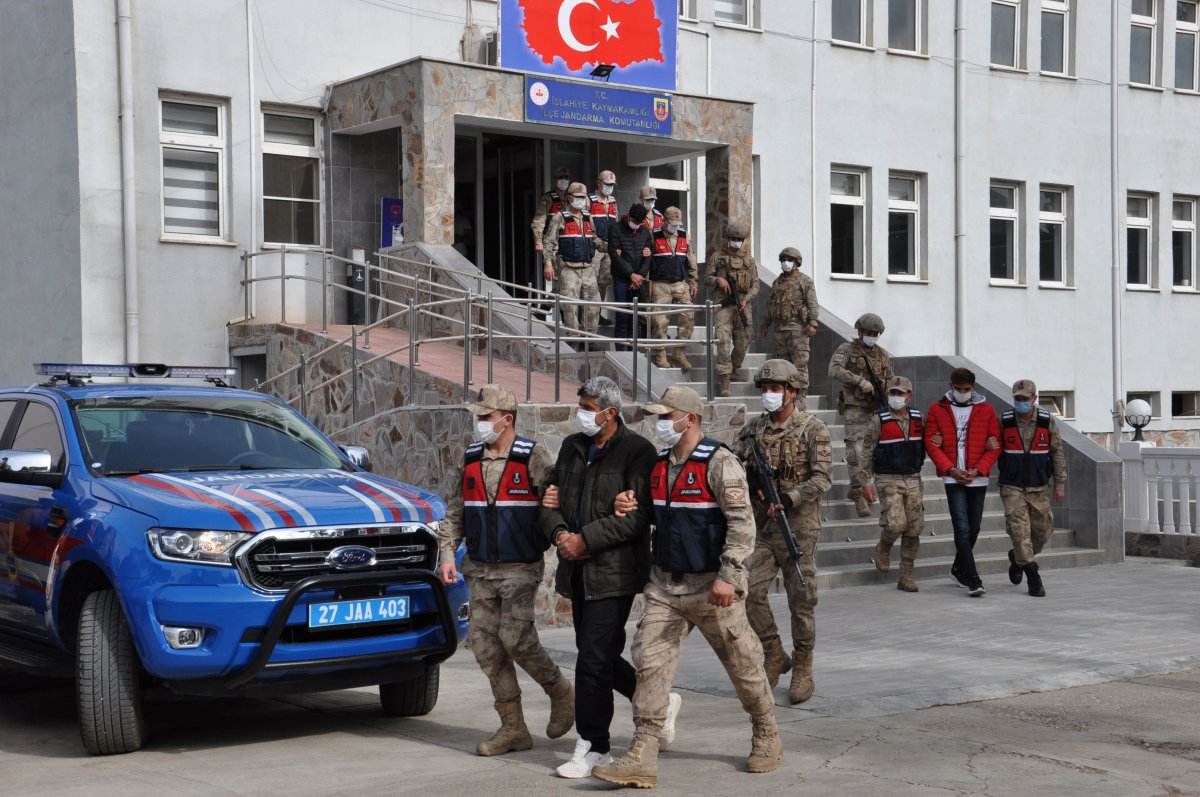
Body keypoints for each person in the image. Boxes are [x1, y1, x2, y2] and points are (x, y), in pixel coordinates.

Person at [596, 386, 782, 788]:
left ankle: (766, 731)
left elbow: (742, 524)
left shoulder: (720, 462)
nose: (661, 424)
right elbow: (650, 511)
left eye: (667, 416)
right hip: (665, 586)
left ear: (690, 419)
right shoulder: (659, 464)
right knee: (649, 664)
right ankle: (643, 750)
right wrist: (627, 503)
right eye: (659, 417)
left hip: (713, 588)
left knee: (744, 664)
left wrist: (729, 576)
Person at [436, 385, 574, 756]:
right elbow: (456, 510)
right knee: (483, 644)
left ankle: (560, 690)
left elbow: (554, 503)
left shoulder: (533, 455)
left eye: (485, 417)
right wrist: (447, 556)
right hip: (480, 568)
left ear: (506, 419)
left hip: (519, 566)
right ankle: (513, 728)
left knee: (516, 638)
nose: (479, 424)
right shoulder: (471, 457)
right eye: (478, 417)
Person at [538, 377, 660, 778]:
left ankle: (594, 746)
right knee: (600, 656)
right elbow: (549, 500)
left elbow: (639, 516)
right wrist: (560, 535)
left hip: (615, 572)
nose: (582, 414)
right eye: (581, 406)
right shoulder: (573, 447)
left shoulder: (638, 452)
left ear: (611, 412)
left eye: (589, 407)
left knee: (591, 659)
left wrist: (586, 539)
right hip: (576, 571)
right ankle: (658, 702)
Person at [733, 359, 832, 703]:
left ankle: (803, 665)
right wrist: (754, 486)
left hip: (799, 528)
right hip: (763, 526)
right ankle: (774, 652)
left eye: (775, 388)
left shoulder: (812, 429)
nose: (769, 394)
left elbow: (822, 478)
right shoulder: (752, 430)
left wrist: (789, 499)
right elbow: (735, 466)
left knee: (801, 598)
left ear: (792, 392)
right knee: (747, 589)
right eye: (765, 388)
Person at [924, 367, 1001, 598]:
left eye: (967, 389)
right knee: (962, 527)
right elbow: (931, 443)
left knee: (974, 527)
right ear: (951, 386)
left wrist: (978, 469)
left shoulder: (986, 410)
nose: (962, 392)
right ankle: (972, 578)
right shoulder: (937, 409)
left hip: (977, 477)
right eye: (958, 389)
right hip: (952, 477)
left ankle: (958, 569)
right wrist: (951, 469)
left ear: (973, 388)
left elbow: (995, 446)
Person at [998, 379, 1067, 598]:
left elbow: (1057, 453)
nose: (1020, 403)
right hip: (1012, 487)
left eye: (1024, 399)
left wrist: (1060, 484)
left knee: (1042, 533)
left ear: (1034, 399)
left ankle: (1016, 559)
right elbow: (993, 448)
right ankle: (1033, 576)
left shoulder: (1047, 422)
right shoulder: (1006, 421)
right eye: (1017, 399)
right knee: (1020, 533)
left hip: (1038, 488)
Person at [862, 376, 926, 593]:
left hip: (913, 478)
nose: (895, 397)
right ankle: (884, 546)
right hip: (887, 478)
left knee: (914, 528)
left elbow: (930, 441)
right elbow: (867, 451)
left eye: (900, 393)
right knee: (895, 524)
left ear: (909, 396)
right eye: (892, 393)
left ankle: (905, 576)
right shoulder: (878, 419)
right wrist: (866, 482)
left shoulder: (918, 418)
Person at [828, 313, 894, 517]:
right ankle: (859, 491)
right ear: (860, 332)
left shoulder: (883, 355)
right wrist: (859, 381)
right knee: (856, 449)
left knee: (872, 450)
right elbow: (834, 370)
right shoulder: (847, 349)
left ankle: (863, 487)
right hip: (855, 406)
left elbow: (891, 379)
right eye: (869, 333)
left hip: (877, 407)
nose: (872, 336)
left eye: (875, 333)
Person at [706, 219, 759, 397]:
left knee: (745, 338)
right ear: (728, 238)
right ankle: (724, 378)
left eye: (739, 238)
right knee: (722, 340)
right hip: (723, 305)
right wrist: (717, 280)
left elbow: (756, 285)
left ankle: (733, 367)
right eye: (733, 238)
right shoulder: (718, 257)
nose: (736, 241)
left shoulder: (749, 261)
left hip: (742, 305)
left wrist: (746, 299)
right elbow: (707, 278)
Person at [543, 182, 604, 335]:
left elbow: (595, 239)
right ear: (569, 198)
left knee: (593, 305)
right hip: (569, 268)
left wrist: (613, 248)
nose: (581, 200)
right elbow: (549, 242)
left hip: (588, 268)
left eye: (583, 197)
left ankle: (590, 337)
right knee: (569, 307)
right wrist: (548, 264)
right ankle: (573, 338)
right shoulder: (560, 217)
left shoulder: (587, 217)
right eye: (578, 197)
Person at [762, 246, 819, 399]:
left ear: (796, 262)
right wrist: (765, 324)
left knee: (800, 365)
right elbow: (771, 304)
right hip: (779, 329)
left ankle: (800, 398)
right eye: (784, 260)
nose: (786, 262)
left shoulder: (804, 281)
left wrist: (813, 323)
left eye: (790, 260)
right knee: (783, 366)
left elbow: (812, 302)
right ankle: (787, 396)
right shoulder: (777, 282)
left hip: (797, 329)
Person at [647, 206, 698, 371]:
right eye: (672, 222)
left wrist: (693, 281)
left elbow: (691, 260)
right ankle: (660, 354)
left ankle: (679, 352)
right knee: (659, 321)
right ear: (664, 220)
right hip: (660, 284)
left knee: (688, 315)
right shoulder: (653, 235)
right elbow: (645, 261)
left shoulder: (684, 235)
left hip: (679, 283)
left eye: (677, 223)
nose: (675, 226)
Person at [608, 203, 653, 351]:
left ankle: (633, 350)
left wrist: (639, 276)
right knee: (623, 315)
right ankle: (621, 351)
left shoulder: (644, 231)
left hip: (639, 280)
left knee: (636, 318)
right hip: (622, 277)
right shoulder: (616, 229)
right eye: (635, 221)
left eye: (640, 223)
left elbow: (648, 255)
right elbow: (615, 255)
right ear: (629, 217)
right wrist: (631, 274)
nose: (637, 225)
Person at [590, 170, 620, 324]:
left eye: (612, 185)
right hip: (594, 248)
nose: (610, 188)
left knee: (603, 282)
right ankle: (587, 316)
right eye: (607, 185)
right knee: (591, 283)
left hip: (609, 248)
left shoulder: (613, 201)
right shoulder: (590, 200)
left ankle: (598, 314)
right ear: (599, 183)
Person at [531, 165, 571, 259]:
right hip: (552, 243)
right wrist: (538, 242)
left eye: (566, 177)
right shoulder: (548, 198)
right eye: (561, 177)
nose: (564, 180)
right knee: (553, 271)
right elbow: (539, 220)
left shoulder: (571, 199)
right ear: (555, 179)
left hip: (568, 241)